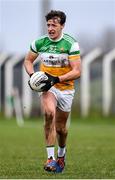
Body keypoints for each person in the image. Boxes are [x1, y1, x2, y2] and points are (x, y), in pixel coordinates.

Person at [24, 10, 81, 173]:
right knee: (49, 113)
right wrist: (33, 75)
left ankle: (61, 156)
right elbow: (28, 60)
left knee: (62, 128)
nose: (50, 28)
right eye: (48, 25)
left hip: (66, 88)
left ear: (62, 26)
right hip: (48, 88)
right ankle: (50, 158)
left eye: (54, 25)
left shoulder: (70, 44)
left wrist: (56, 79)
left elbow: (77, 71)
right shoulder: (39, 42)